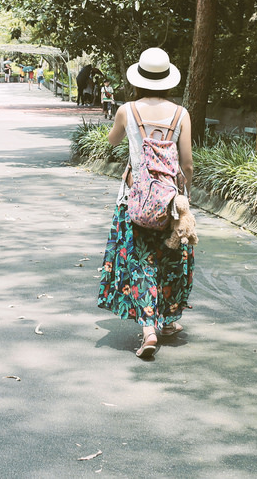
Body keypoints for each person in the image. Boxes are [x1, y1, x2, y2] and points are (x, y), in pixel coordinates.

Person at [97, 47, 194, 359]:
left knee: (141, 263)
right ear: (167, 80)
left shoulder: (127, 111)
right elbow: (188, 164)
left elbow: (111, 141)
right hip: (169, 203)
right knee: (169, 257)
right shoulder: (181, 115)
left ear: (139, 79)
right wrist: (184, 198)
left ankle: (150, 330)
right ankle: (165, 322)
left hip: (134, 202)